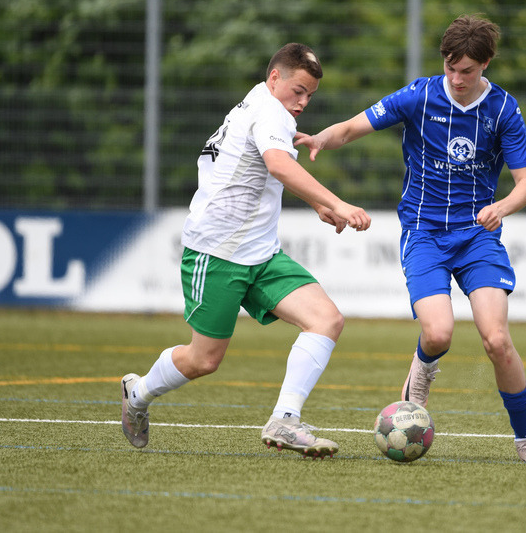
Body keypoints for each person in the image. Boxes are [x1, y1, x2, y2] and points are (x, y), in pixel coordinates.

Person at [296, 14, 526, 464]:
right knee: (437, 333)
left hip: (477, 237)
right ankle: (423, 370)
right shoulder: (420, 95)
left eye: (468, 71)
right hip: (424, 234)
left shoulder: (504, 110)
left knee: (495, 339)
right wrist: (322, 137)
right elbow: (354, 126)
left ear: (486, 64)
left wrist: (501, 207)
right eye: (451, 68)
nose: (456, 78)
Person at [120, 43, 371, 458]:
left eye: (310, 95)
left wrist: (319, 206)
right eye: (299, 91)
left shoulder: (261, 104)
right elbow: (277, 165)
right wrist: (338, 203)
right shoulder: (268, 112)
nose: (304, 102)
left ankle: (285, 419)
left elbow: (268, 170)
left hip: (261, 253)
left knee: (326, 319)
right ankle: (138, 393)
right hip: (216, 253)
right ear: (275, 77)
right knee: (204, 360)